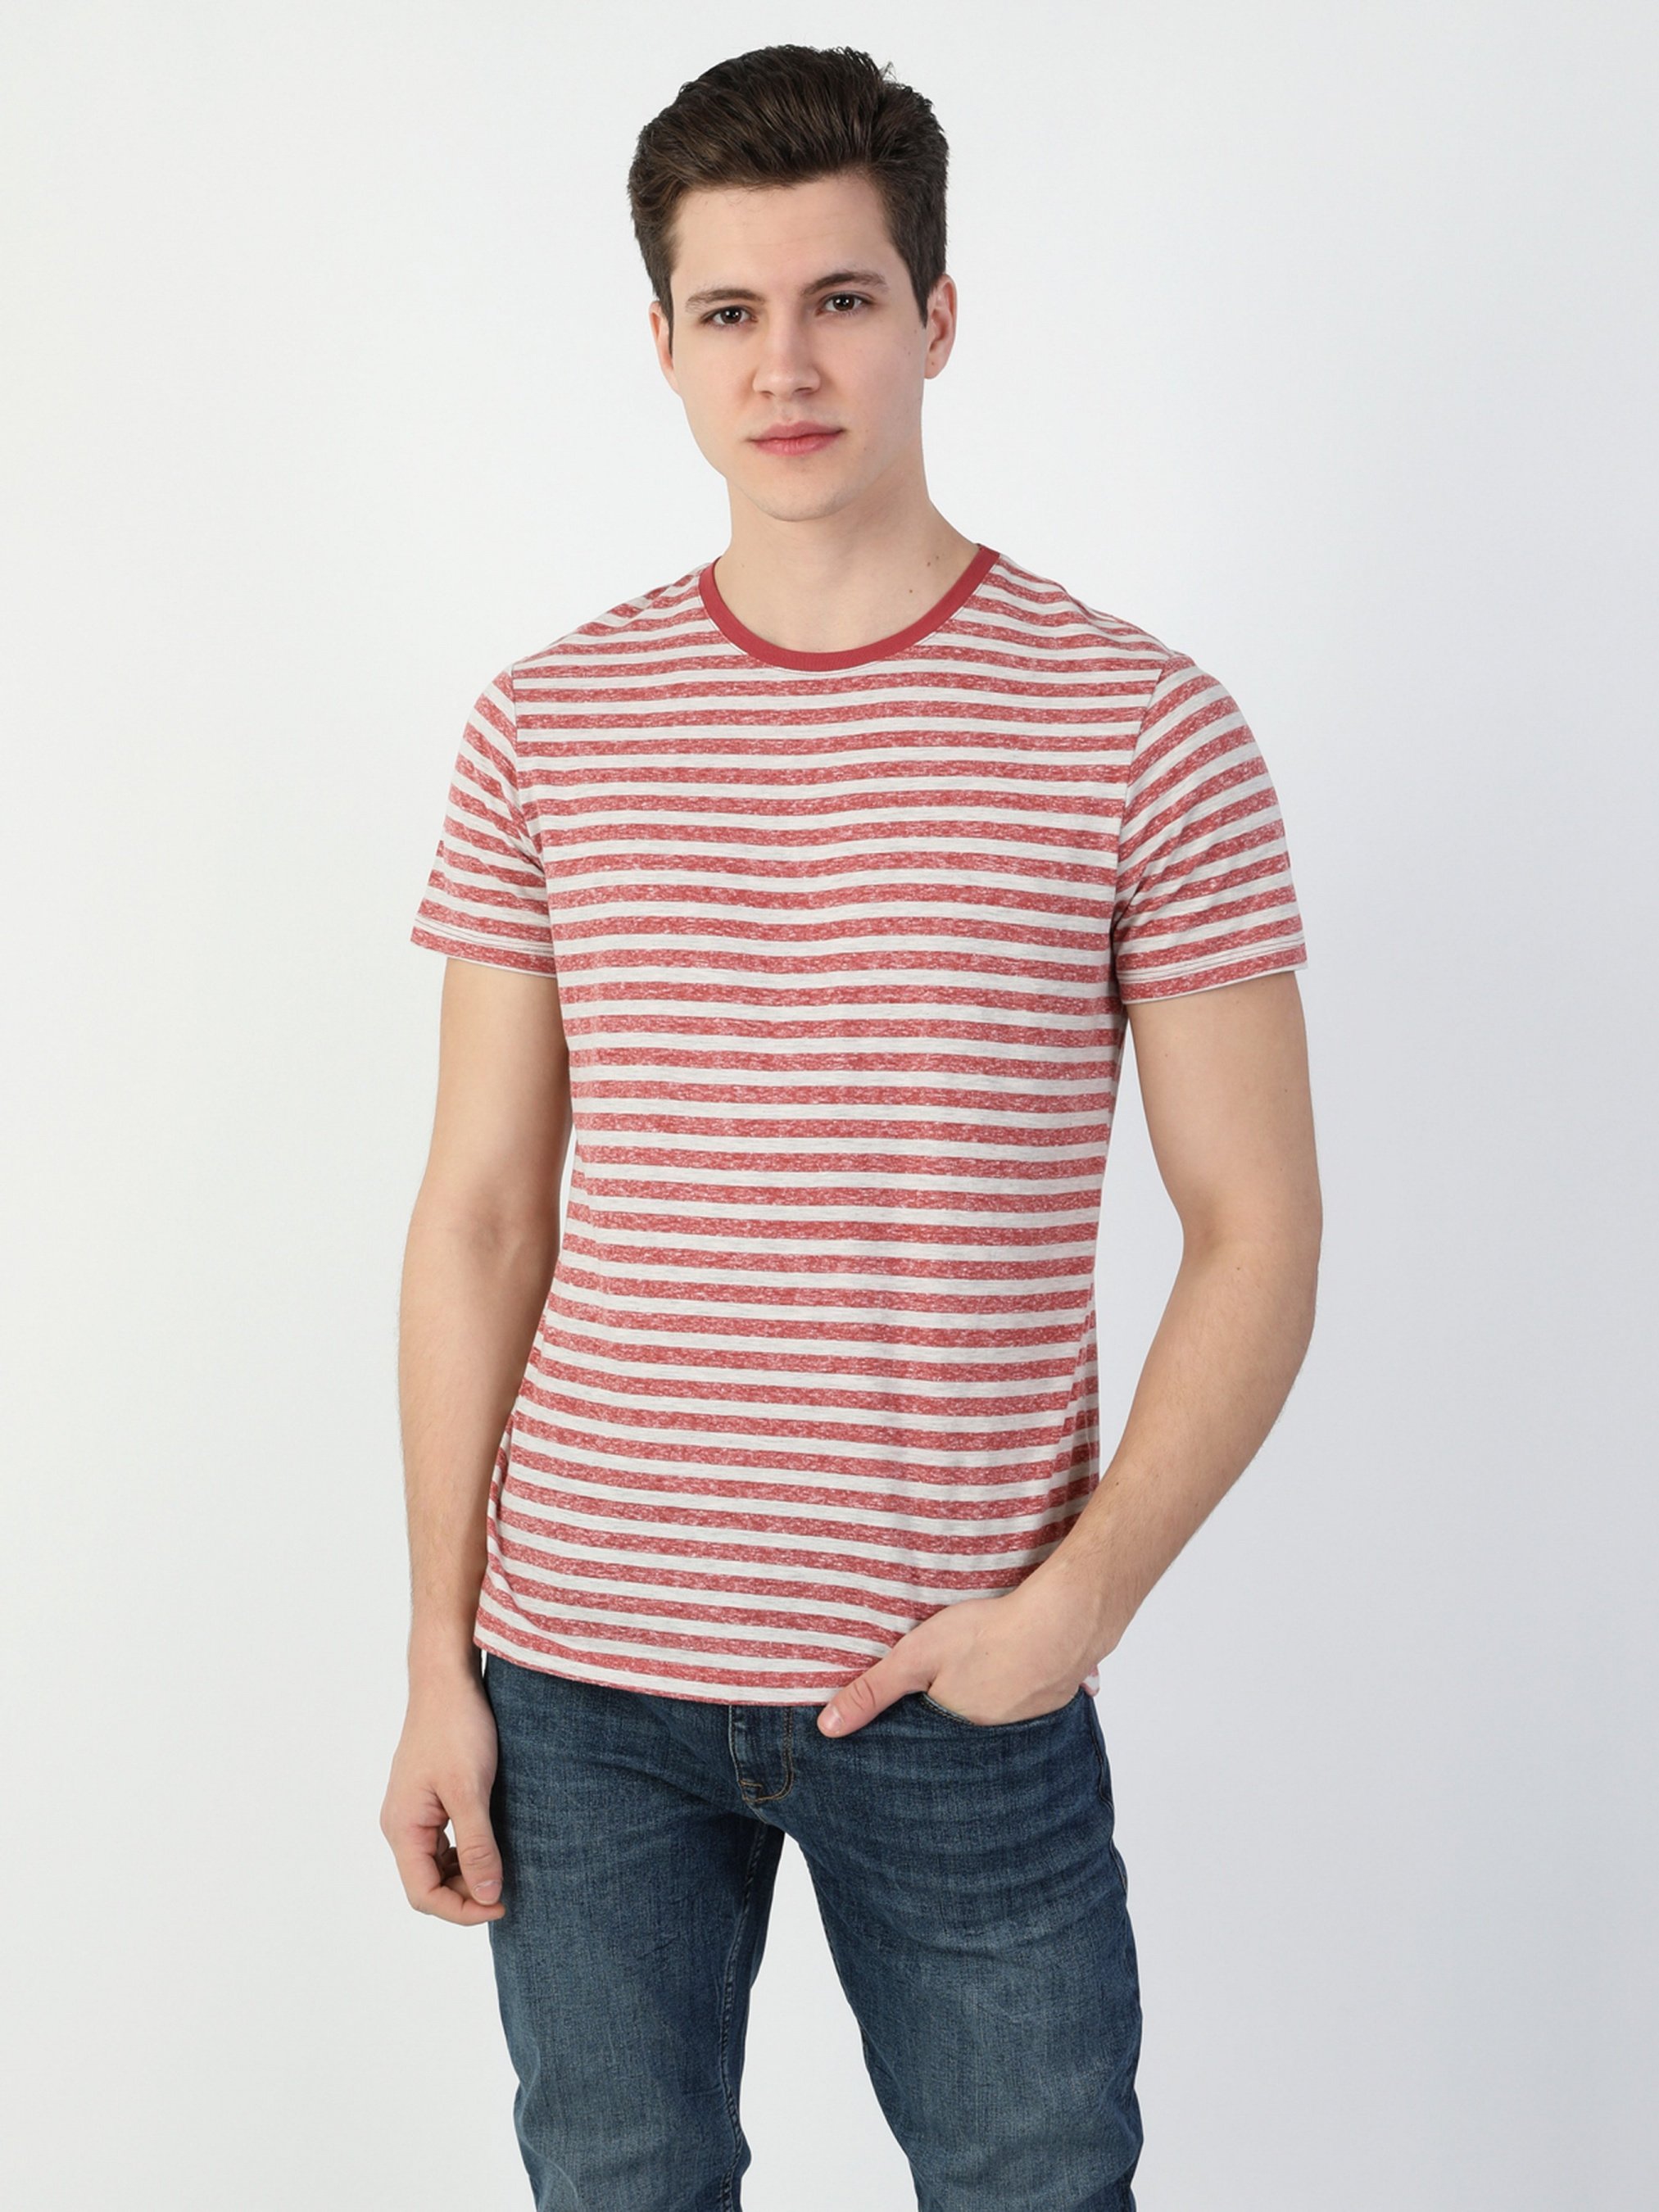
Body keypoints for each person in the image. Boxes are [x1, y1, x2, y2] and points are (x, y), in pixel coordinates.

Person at [379, 41, 1321, 2212]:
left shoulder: (1142, 727)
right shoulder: (548, 723)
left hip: (955, 1675)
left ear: (936, 317)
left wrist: (1073, 1604)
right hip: (576, 1675)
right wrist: (438, 1654)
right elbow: (481, 1212)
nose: (783, 364)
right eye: (729, 309)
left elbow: (1258, 1224)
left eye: (840, 300)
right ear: (661, 342)